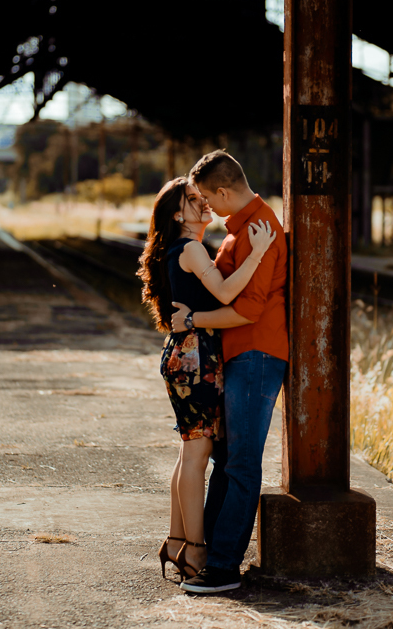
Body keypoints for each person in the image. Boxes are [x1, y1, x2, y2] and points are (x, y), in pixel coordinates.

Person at [137, 176, 276, 582]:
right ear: (179, 213)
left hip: (183, 355)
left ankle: (177, 542)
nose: (205, 204)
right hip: (196, 358)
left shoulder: (178, 249)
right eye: (194, 199)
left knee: (188, 454)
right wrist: (258, 253)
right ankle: (195, 553)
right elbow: (229, 292)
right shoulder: (193, 248)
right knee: (196, 457)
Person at [171, 151, 288, 594]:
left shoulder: (258, 230)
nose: (207, 207)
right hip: (240, 355)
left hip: (256, 354)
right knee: (228, 459)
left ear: (223, 191)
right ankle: (213, 559)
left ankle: (223, 567)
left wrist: (192, 321)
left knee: (240, 461)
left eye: (207, 199)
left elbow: (246, 310)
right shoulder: (238, 231)